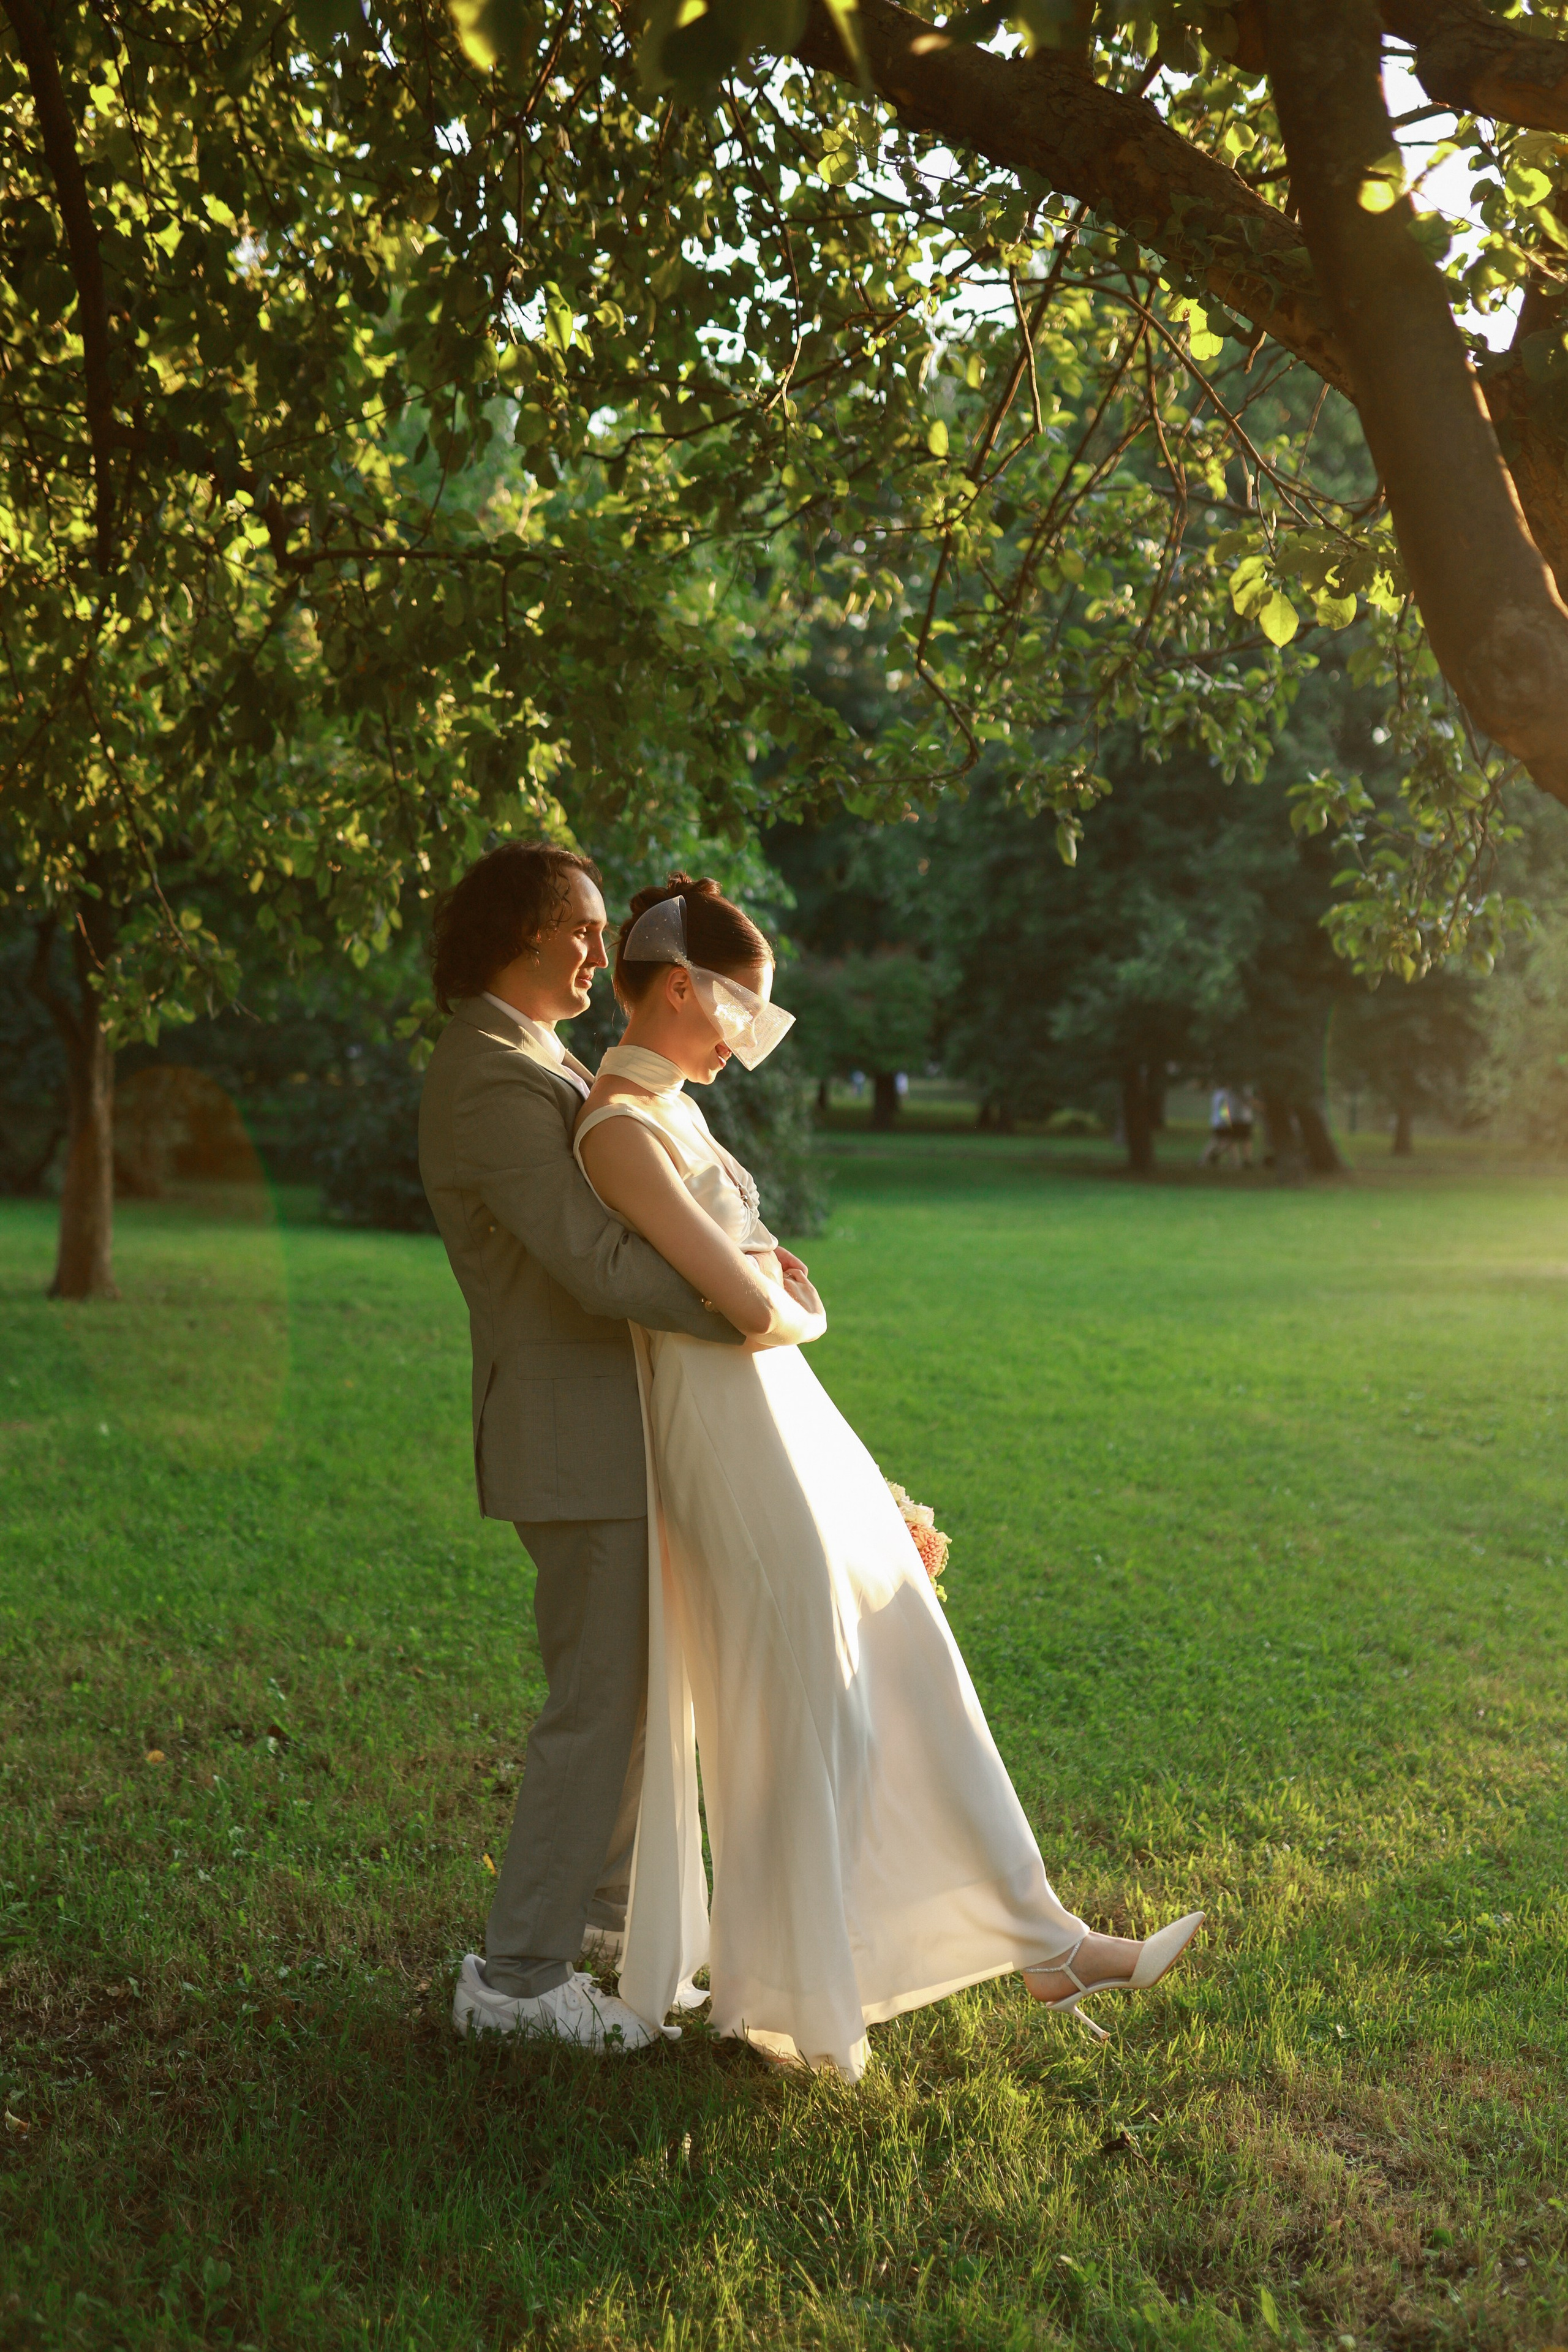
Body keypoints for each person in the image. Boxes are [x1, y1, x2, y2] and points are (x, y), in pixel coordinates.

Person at [571, 873, 1203, 2077]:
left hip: (776, 1416)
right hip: (720, 1434)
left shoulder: (678, 1116)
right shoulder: (618, 1131)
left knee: (905, 1648)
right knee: (801, 1700)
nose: (744, 1045)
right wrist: (790, 1297)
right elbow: (751, 1302)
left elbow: (744, 1280)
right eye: (733, 1016)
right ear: (665, 991)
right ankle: (791, 1986)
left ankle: (1041, 1936)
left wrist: (768, 1288)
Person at [418, 841, 816, 2054]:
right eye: (581, 928)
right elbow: (589, 1267)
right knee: (597, 1705)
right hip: (570, 1430)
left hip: (622, 1424)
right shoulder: (488, 1075)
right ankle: (518, 1979)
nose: (603, 950)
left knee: (637, 1703)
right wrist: (753, 1300)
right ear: (521, 931)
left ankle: (599, 1938)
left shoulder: (538, 1063)